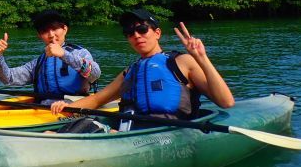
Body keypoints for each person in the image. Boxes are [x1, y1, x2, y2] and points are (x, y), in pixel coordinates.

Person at [50, 8, 235, 132]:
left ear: (157, 33)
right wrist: (65, 107)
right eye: (130, 33)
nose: (136, 36)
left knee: (81, 127)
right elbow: (98, 98)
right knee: (66, 127)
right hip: (130, 135)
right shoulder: (131, 71)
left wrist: (201, 58)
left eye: (142, 29)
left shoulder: (182, 62)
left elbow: (225, 101)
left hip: (168, 133)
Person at [0, 9, 101, 104]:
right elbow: (8, 78)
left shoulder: (80, 53)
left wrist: (64, 54)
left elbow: (95, 74)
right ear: (39, 36)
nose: (51, 35)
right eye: (45, 31)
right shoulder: (38, 63)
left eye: (55, 29)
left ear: (65, 29)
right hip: (44, 110)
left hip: (75, 106)